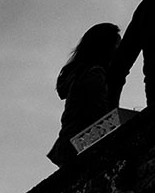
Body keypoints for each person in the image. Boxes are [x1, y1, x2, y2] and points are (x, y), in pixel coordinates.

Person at [47, 22, 121, 167]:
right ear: (107, 48)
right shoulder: (94, 75)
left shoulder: (81, 75)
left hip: (69, 144)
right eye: (117, 45)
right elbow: (102, 118)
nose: (119, 51)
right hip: (81, 143)